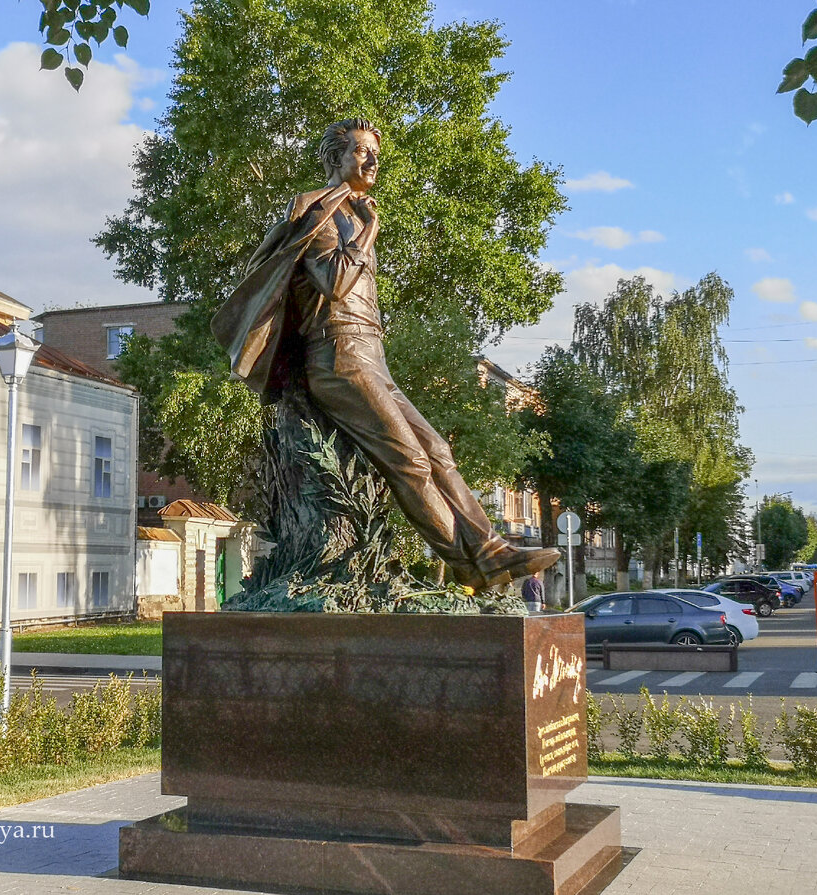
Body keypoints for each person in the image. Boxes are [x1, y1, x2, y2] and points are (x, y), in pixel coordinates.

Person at [212, 117, 559, 591]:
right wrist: (369, 231)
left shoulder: (352, 213)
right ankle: (473, 558)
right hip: (337, 355)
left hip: (370, 354)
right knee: (410, 462)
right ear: (336, 160)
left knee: (437, 450)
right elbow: (334, 283)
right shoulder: (321, 214)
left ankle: (487, 552)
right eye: (360, 151)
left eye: (375, 152)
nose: (372, 160)